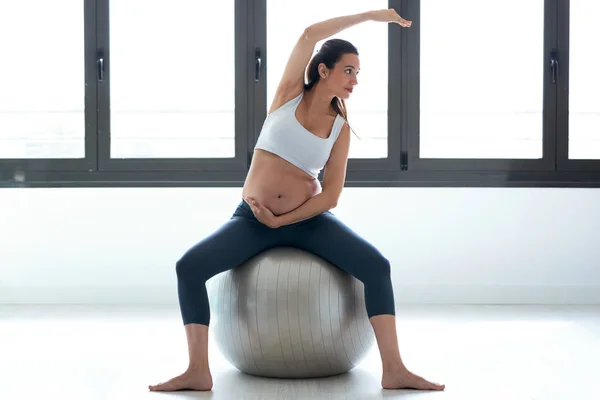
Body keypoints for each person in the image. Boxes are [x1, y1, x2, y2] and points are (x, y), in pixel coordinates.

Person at [149, 8, 445, 392]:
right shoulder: (288, 95)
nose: (355, 80)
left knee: (376, 266)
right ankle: (197, 370)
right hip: (252, 221)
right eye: (349, 70)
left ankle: (395, 368)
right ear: (324, 70)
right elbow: (309, 34)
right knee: (189, 267)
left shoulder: (340, 127)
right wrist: (373, 16)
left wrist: (282, 221)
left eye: (358, 73)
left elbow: (332, 196)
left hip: (305, 222)